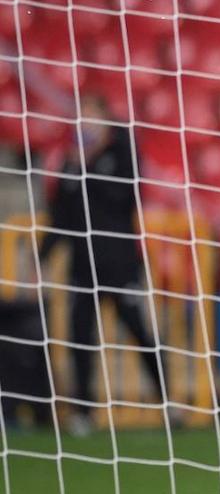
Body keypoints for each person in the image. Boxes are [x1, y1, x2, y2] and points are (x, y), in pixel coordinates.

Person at [38, 93, 166, 436]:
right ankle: (84, 412)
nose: (86, 124)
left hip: (120, 263)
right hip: (82, 265)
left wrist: (91, 162)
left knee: (139, 330)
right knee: (81, 337)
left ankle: (167, 401)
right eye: (82, 118)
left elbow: (127, 196)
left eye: (93, 116)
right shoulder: (68, 162)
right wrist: (42, 255)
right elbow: (61, 214)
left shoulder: (120, 155)